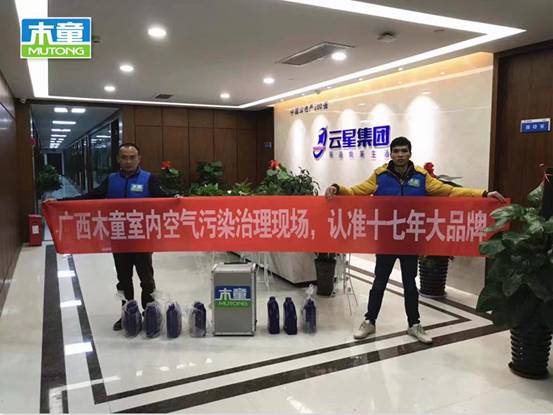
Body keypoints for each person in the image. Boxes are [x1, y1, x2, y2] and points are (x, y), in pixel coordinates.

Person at [324, 136, 505, 344]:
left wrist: (483, 194)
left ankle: (414, 325)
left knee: (410, 284)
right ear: (391, 154)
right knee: (379, 282)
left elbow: (450, 192)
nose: (400, 155)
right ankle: (369, 321)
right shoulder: (380, 175)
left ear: (410, 153)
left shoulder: (422, 176)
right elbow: (356, 192)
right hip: (386, 239)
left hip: (410, 239)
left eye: (404, 151)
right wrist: (337, 188)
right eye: (396, 151)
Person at [59, 143, 173, 331]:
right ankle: (128, 313)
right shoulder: (111, 180)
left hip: (142, 239)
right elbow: (90, 197)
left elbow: (166, 199)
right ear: (118, 159)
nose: (128, 161)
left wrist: (180, 199)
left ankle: (150, 313)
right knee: (123, 280)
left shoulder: (149, 179)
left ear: (139, 159)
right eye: (124, 157)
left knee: (146, 279)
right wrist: (60, 203)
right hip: (119, 239)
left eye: (132, 157)